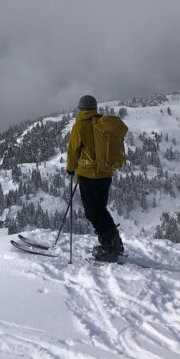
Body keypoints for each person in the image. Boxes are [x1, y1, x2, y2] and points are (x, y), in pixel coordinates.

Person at [66, 94, 124, 262]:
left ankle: (109, 246)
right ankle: (114, 242)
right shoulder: (103, 124)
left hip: (88, 175)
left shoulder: (80, 126)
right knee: (101, 209)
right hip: (105, 173)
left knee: (93, 212)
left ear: (80, 109)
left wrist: (70, 169)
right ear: (94, 108)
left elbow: (73, 150)